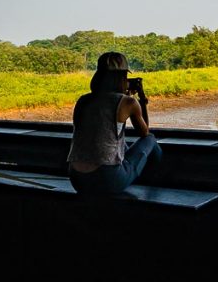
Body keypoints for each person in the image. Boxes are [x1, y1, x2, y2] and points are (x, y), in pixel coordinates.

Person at [67, 51, 162, 195]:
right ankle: (157, 181)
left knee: (117, 140)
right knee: (151, 139)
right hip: (107, 180)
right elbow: (144, 133)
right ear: (123, 77)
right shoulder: (128, 102)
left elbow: (100, 130)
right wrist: (141, 100)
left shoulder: (83, 100)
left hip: (77, 179)